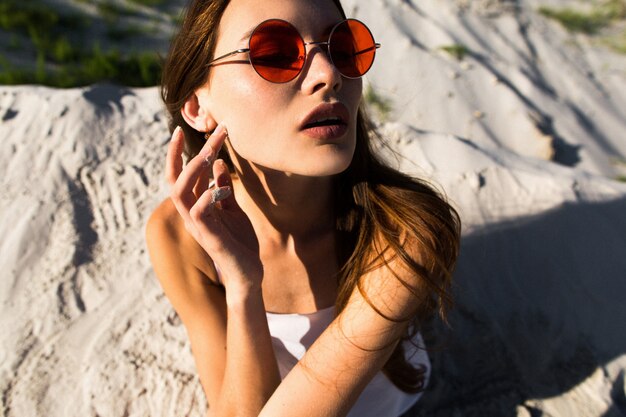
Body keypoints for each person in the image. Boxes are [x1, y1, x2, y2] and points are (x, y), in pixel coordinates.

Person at [146, 0, 461, 415]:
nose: (330, 75)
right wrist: (243, 285)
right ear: (197, 106)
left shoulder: (402, 232)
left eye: (344, 48)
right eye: (274, 55)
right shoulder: (179, 236)